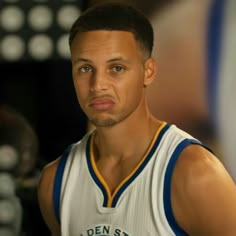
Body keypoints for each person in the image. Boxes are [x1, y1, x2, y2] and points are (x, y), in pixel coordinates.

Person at [37, 2, 236, 235]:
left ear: (148, 71)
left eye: (117, 68)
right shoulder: (55, 183)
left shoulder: (194, 173)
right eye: (85, 69)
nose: (98, 85)